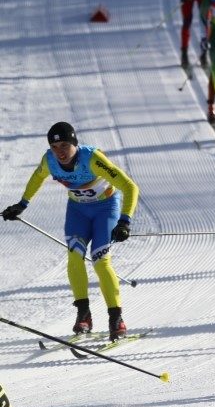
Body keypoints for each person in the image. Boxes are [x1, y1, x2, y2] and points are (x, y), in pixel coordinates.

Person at [1, 122, 139, 341]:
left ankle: (116, 318)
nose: (60, 152)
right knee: (74, 257)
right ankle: (83, 314)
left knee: (100, 261)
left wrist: (124, 221)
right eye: (55, 147)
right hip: (78, 211)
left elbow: (130, 186)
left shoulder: (92, 159)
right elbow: (37, 177)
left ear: (75, 143)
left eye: (65, 145)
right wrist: (22, 204)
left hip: (106, 208)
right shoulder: (49, 160)